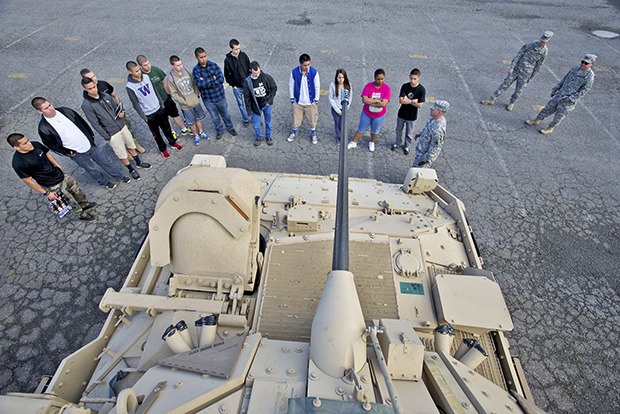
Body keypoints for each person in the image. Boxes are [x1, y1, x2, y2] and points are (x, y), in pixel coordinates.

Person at [32, 97, 129, 188]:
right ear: (39, 111)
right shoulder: (44, 127)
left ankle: (119, 176)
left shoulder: (65, 111)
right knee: (91, 169)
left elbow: (82, 123)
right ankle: (104, 182)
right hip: (76, 153)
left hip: (88, 144)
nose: (50, 108)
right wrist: (66, 152)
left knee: (105, 161)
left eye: (50, 105)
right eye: (46, 108)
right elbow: (51, 145)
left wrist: (91, 137)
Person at [9, 133, 96, 221]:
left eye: (27, 140)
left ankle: (85, 205)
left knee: (77, 190)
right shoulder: (18, 163)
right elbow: (28, 181)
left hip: (60, 174)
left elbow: (47, 154)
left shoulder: (36, 144)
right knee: (68, 200)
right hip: (51, 184)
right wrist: (46, 193)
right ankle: (80, 213)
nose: (29, 143)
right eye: (25, 144)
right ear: (16, 147)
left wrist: (58, 166)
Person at [81, 77, 152, 181]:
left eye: (94, 87)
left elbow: (115, 107)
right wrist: (107, 136)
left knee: (130, 145)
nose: (94, 90)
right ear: (85, 89)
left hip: (121, 125)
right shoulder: (86, 105)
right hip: (112, 133)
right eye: (90, 89)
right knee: (121, 152)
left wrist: (121, 113)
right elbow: (95, 123)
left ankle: (138, 162)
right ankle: (131, 169)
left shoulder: (105, 95)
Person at [125, 61, 184, 159]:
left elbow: (155, 91)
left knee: (167, 128)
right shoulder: (130, 86)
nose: (139, 72)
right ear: (129, 71)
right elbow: (135, 103)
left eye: (139, 70)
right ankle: (163, 149)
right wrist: (144, 117)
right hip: (149, 114)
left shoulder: (147, 77)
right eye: (135, 71)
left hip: (158, 108)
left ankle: (172, 143)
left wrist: (161, 104)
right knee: (156, 134)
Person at [481, 31, 553, 111]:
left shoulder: (544, 52)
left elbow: (538, 65)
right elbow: (519, 54)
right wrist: (512, 67)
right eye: (542, 41)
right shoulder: (532, 44)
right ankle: (492, 99)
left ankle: (512, 103)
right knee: (505, 84)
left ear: (548, 41)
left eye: (544, 42)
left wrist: (532, 77)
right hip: (517, 68)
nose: (542, 43)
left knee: (518, 90)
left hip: (526, 73)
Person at [525, 54, 596, 135]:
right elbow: (564, 79)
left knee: (558, 116)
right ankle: (537, 120)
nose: (583, 64)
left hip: (568, 101)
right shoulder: (575, 69)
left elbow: (583, 91)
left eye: (586, 63)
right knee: (548, 108)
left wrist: (570, 99)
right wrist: (555, 89)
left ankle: (550, 128)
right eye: (582, 62)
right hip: (560, 94)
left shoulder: (589, 77)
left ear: (591, 64)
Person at [79, 68, 146, 153]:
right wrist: (107, 136)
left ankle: (135, 144)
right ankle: (126, 151)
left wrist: (120, 109)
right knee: (119, 141)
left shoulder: (103, 84)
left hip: (118, 115)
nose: (94, 79)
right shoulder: (88, 103)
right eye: (91, 78)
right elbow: (95, 122)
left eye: (94, 76)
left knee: (128, 130)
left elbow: (114, 96)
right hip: (110, 125)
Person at [136, 54, 192, 139]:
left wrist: (169, 95)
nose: (148, 66)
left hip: (165, 97)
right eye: (145, 65)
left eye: (148, 63)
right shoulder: (142, 77)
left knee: (175, 114)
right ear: (140, 66)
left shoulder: (155, 70)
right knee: (166, 118)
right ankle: (172, 132)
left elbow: (164, 83)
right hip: (157, 103)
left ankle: (183, 128)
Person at [193, 47, 238, 140]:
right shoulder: (196, 70)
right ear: (197, 58)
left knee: (226, 114)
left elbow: (220, 79)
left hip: (220, 96)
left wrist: (205, 81)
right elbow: (199, 84)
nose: (204, 59)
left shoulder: (214, 65)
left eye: (205, 56)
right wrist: (212, 79)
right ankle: (219, 130)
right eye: (201, 57)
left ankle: (230, 127)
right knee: (215, 117)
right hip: (208, 100)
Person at [166, 55, 209, 146]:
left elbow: (194, 84)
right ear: (172, 66)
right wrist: (185, 102)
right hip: (186, 106)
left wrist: (196, 95)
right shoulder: (171, 78)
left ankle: (201, 132)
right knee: (191, 122)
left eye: (181, 64)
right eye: (177, 65)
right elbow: (174, 95)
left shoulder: (187, 71)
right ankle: (196, 135)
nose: (180, 66)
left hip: (195, 101)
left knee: (198, 118)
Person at [347, 69, 391, 152]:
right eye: (378, 79)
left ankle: (372, 142)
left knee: (375, 131)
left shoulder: (387, 88)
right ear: (374, 78)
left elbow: (383, 104)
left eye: (382, 79)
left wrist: (371, 101)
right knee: (361, 129)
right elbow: (364, 100)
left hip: (379, 115)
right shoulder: (368, 86)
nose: (380, 81)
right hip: (367, 113)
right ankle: (354, 141)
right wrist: (377, 101)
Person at [287, 53, 320, 144]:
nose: (307, 67)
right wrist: (292, 99)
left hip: (310, 102)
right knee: (296, 119)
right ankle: (294, 133)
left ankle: (313, 134)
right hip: (298, 102)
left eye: (308, 64)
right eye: (305, 65)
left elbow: (317, 86)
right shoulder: (294, 72)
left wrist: (316, 100)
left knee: (312, 120)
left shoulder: (314, 72)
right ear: (300, 64)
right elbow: (291, 86)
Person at [391, 68, 426, 155]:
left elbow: (420, 105)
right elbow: (401, 100)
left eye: (415, 79)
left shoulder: (421, 90)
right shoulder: (405, 86)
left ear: (419, 78)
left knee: (409, 133)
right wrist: (414, 101)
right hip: (402, 113)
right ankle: (397, 143)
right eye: (411, 78)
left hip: (412, 116)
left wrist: (409, 101)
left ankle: (407, 146)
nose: (412, 81)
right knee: (398, 130)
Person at [244, 61, 277, 146]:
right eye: (255, 73)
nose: (257, 74)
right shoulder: (247, 82)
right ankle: (259, 137)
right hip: (256, 106)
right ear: (250, 70)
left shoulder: (266, 77)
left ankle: (268, 137)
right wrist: (249, 111)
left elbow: (274, 88)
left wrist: (269, 101)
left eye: (258, 72)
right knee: (256, 125)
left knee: (268, 123)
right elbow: (247, 98)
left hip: (267, 104)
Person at [412, 100, 449, 168]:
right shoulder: (434, 118)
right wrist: (421, 134)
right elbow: (429, 131)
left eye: (433, 109)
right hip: (421, 152)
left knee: (417, 174)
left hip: (424, 158)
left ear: (439, 112)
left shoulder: (438, 129)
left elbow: (434, 149)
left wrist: (422, 160)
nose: (431, 109)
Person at [224, 39, 251, 127]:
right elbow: (227, 74)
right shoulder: (228, 60)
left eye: (239, 48)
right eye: (236, 49)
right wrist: (233, 85)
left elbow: (249, 67)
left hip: (247, 84)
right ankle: (245, 119)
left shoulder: (243, 55)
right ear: (231, 48)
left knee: (251, 102)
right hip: (237, 87)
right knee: (241, 104)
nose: (238, 51)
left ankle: (254, 118)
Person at [328, 68, 352, 142]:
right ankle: (339, 137)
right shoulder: (332, 85)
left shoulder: (348, 85)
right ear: (336, 77)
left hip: (344, 108)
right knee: (337, 123)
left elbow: (350, 97)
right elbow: (331, 98)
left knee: (343, 123)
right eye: (339, 77)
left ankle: (344, 135)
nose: (341, 79)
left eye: (342, 77)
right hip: (336, 109)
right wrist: (338, 110)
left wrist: (346, 108)